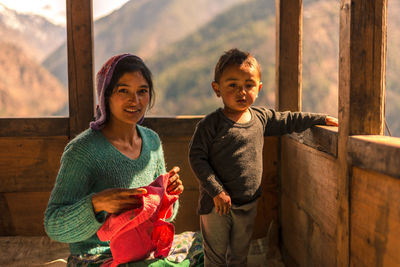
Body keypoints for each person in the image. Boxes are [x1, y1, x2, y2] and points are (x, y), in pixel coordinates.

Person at [188, 48, 338, 267]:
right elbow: (196, 157)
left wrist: (320, 118)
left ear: (258, 88)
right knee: (215, 258)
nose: (241, 92)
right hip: (216, 205)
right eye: (233, 85)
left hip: (248, 205)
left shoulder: (261, 118)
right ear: (217, 88)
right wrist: (216, 191)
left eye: (248, 85)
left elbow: (289, 120)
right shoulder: (210, 125)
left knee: (239, 255)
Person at [44, 54, 184, 266]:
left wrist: (169, 194)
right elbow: (54, 224)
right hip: (98, 256)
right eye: (123, 91)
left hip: (144, 248)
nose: (134, 101)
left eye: (142, 92)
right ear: (105, 96)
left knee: (201, 249)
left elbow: (163, 215)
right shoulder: (83, 151)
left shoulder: (152, 142)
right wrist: (97, 203)